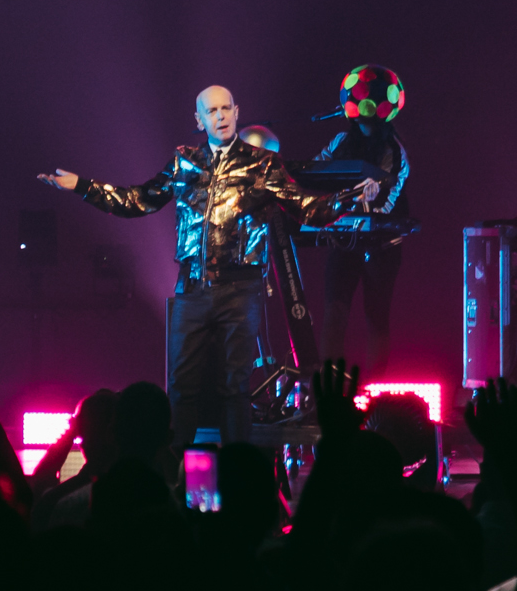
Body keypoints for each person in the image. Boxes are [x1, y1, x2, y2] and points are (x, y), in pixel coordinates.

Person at [41, 84, 370, 446]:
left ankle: (235, 474)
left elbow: (307, 206)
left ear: (237, 111)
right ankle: (177, 471)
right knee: (182, 385)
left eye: (226, 108)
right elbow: (139, 200)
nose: (221, 116)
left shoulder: (262, 163)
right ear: (199, 120)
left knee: (234, 386)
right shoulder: (185, 161)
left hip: (240, 287)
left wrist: (351, 197)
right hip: (193, 288)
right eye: (212, 111)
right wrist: (81, 186)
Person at [306, 63, 414, 370]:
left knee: (376, 315)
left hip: (382, 246)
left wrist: (368, 203)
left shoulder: (395, 150)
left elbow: (388, 201)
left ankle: (376, 394)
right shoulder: (341, 141)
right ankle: (329, 391)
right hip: (345, 241)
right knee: (335, 312)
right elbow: (314, 171)